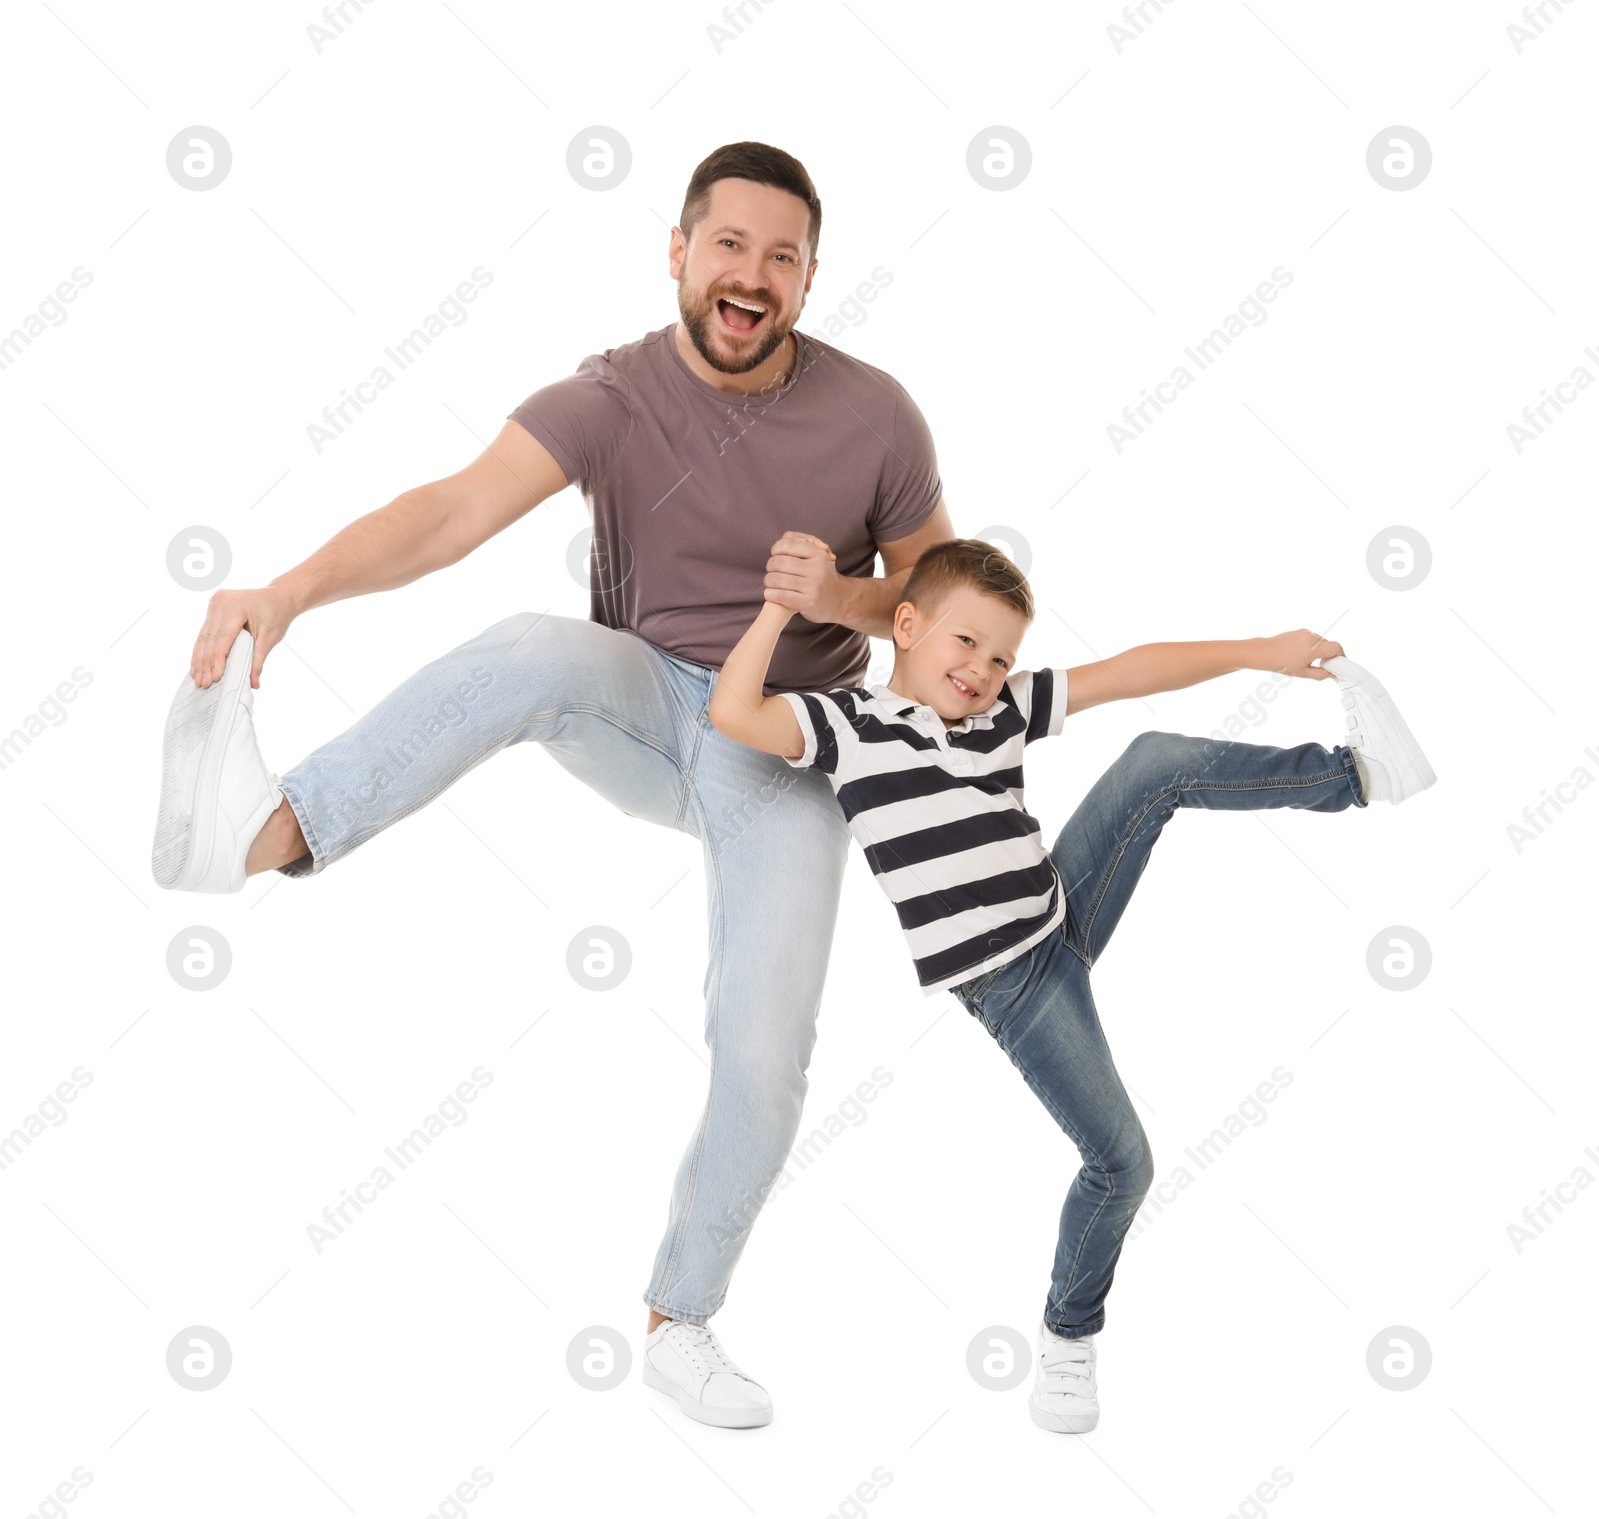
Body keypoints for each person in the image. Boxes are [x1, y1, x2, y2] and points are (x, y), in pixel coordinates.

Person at [148, 141, 960, 1429]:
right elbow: (452, 512)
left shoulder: (878, 417)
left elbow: (938, 604)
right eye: (729, 246)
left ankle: (680, 1318)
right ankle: (270, 827)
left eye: (783, 256)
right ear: (681, 254)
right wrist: (286, 592)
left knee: (767, 1049)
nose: (752, 276)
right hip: (639, 697)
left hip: (794, 741)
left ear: (810, 278)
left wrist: (844, 599)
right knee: (531, 644)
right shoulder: (613, 395)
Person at [708, 535, 1435, 1432]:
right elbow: (735, 711)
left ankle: (1355, 775)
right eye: (965, 642)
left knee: (1152, 759)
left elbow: (1132, 671)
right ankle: (1067, 1336)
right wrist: (786, 605)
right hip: (1009, 981)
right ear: (908, 625)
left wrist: (1261, 652)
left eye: (1003, 654)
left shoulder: (1003, 712)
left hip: (1061, 903)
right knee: (1122, 1160)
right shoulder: (848, 726)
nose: (983, 669)